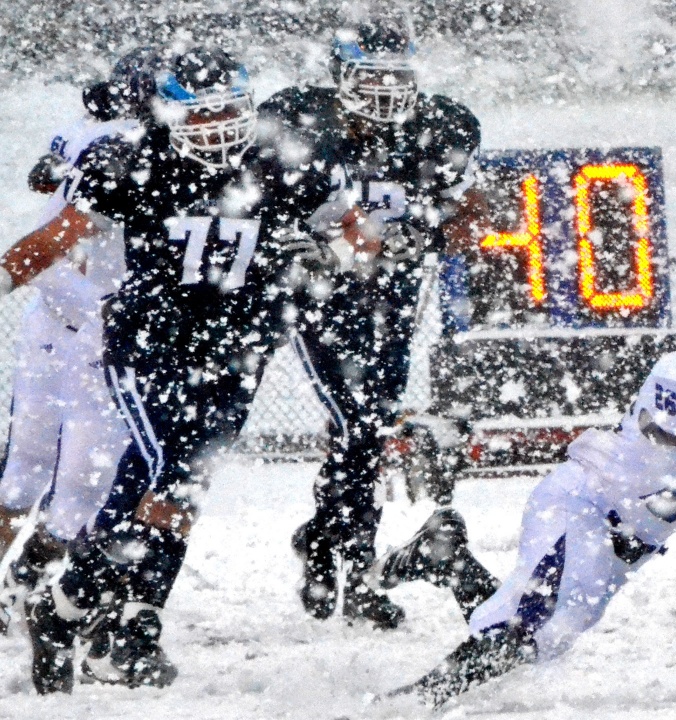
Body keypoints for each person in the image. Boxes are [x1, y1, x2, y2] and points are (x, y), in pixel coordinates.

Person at [13, 45, 368, 694]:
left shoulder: (286, 163)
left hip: (238, 351)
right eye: (202, 116)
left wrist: (330, 254)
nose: (220, 126)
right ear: (169, 118)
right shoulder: (134, 162)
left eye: (231, 110)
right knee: (165, 478)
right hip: (151, 344)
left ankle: (107, 618)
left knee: (169, 492)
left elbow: (356, 232)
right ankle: (82, 611)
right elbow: (56, 238)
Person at [376, 269, 676, 708]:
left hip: (632, 537)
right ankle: (410, 704)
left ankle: (447, 559)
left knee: (537, 632)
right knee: (535, 628)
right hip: (588, 506)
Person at [257, 21, 482, 630]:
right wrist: (337, 238)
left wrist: (430, 223)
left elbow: (462, 210)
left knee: (371, 425)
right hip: (324, 295)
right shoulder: (305, 126)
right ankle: (353, 567)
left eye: (397, 76)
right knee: (359, 421)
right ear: (340, 79)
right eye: (372, 75)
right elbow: (272, 209)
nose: (386, 88)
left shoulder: (438, 130)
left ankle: (323, 539)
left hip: (395, 294)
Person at [0, 48, 160, 634]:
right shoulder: (131, 150)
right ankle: (29, 583)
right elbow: (61, 200)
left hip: (85, 323)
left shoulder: (90, 133)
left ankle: (26, 583)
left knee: (53, 483)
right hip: (79, 317)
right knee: (49, 481)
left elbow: (45, 172)